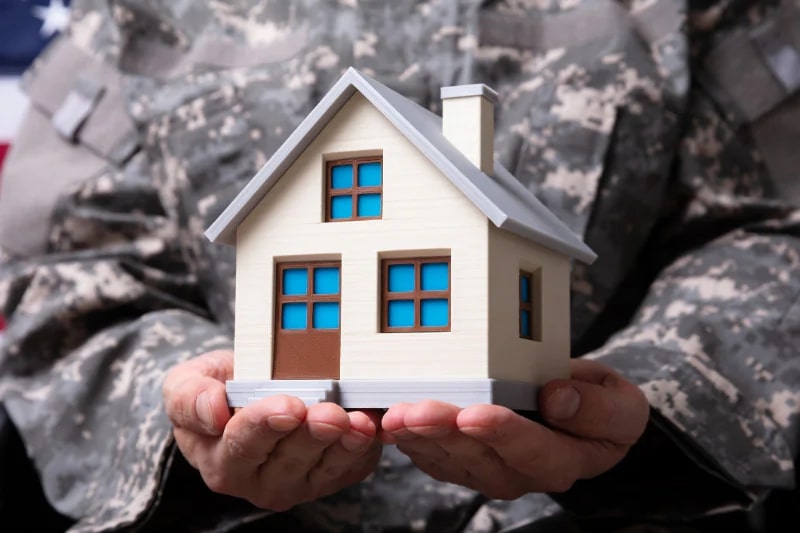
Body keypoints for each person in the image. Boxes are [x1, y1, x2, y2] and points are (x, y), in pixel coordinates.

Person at [0, 0, 798, 531]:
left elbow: (776, 227)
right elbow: (59, 276)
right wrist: (187, 412)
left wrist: (649, 404)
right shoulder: (135, 14)